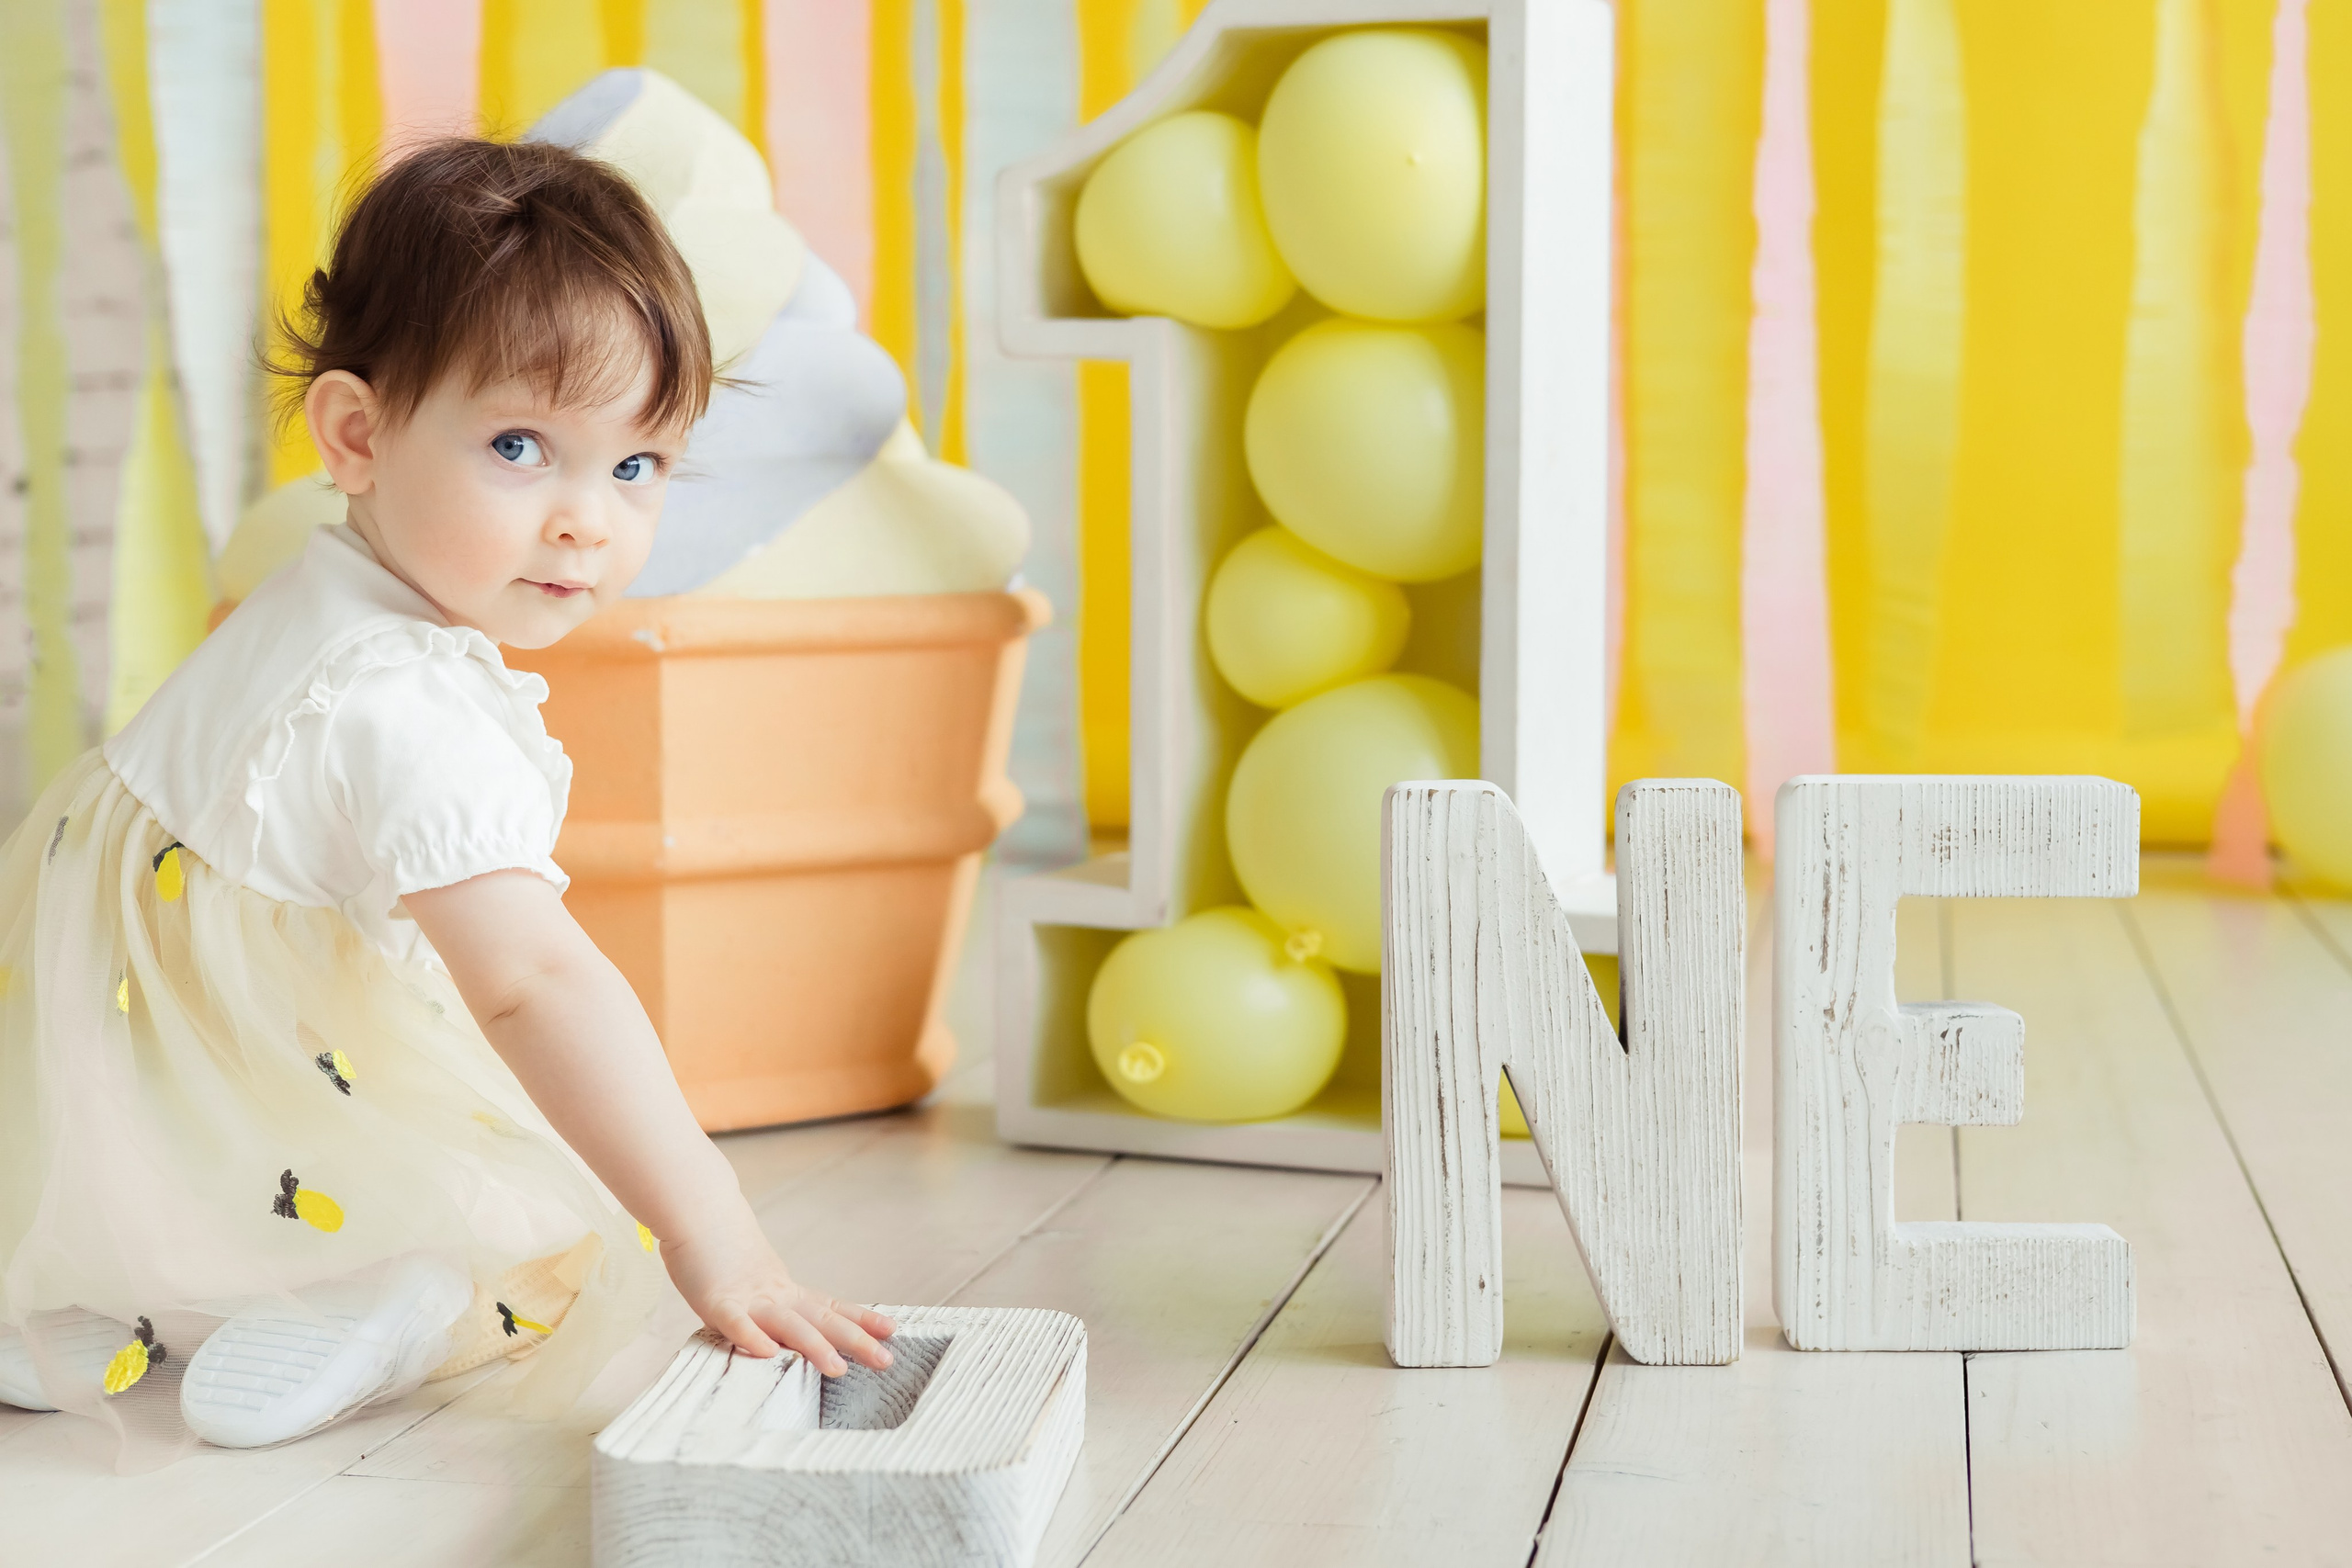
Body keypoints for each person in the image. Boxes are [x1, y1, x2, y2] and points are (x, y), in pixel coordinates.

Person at [0, 138, 893, 1464]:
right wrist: (718, 1236)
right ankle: (403, 1293)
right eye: (522, 447)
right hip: (250, 1067)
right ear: (357, 434)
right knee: (553, 1227)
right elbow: (534, 983)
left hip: (120, 1072)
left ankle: (109, 1286)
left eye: (636, 465)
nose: (588, 521)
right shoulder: (413, 710)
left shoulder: (306, 595)